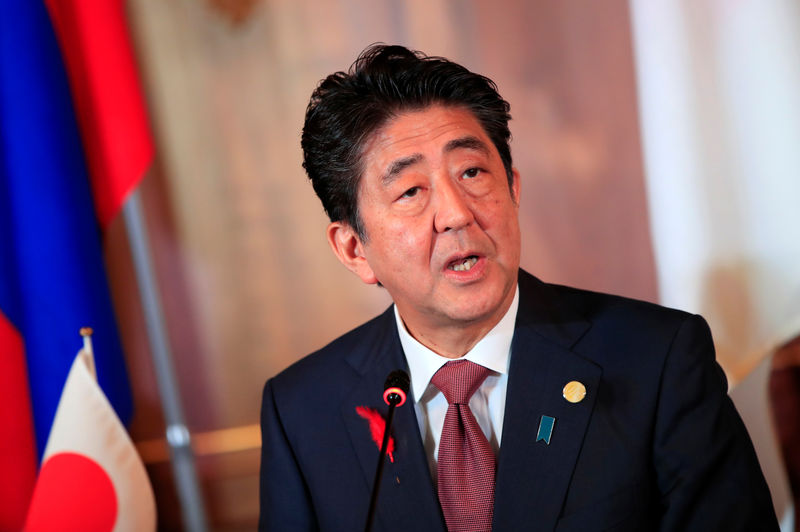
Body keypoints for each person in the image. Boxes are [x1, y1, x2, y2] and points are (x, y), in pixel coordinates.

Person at [259, 44, 778, 532]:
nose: (457, 214)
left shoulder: (657, 361)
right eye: (412, 190)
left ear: (513, 189)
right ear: (354, 249)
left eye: (472, 172)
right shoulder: (303, 411)